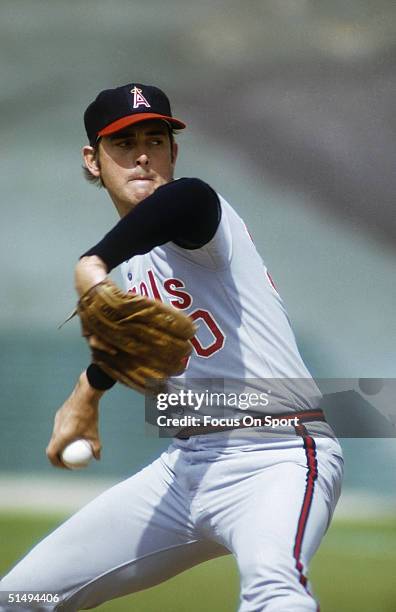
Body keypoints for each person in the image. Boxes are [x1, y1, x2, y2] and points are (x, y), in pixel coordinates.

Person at [0, 83, 343, 611]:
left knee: (275, 591)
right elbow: (130, 341)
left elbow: (187, 199)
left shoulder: (200, 218)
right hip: (184, 469)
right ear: (93, 161)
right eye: (124, 142)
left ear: (173, 152)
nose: (142, 153)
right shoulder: (136, 266)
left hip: (277, 455)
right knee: (21, 595)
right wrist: (85, 395)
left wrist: (92, 264)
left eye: (155, 140)